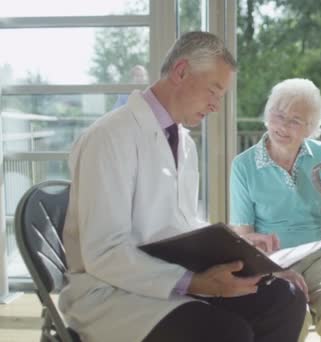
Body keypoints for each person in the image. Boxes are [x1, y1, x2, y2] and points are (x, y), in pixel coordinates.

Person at [59, 31, 306, 342]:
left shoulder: (183, 142)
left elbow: (182, 224)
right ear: (181, 72)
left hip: (167, 278)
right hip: (112, 293)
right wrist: (195, 283)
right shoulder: (108, 137)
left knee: (284, 299)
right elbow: (105, 251)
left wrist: (247, 258)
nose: (216, 106)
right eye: (213, 91)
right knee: (228, 333)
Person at [230, 78, 321, 342]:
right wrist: (273, 270)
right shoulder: (243, 166)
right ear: (267, 115)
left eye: (294, 120)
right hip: (273, 259)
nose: (282, 126)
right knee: (291, 313)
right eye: (278, 115)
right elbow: (243, 237)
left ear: (310, 128)